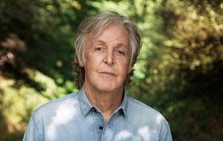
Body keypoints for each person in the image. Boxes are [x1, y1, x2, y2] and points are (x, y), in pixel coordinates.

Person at [23, 12, 172, 141]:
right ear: (81, 58)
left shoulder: (156, 127)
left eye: (120, 52)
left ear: (130, 64)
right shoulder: (44, 121)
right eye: (99, 48)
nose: (109, 59)